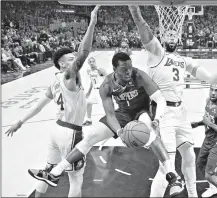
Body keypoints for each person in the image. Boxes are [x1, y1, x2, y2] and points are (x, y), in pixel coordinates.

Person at [128, 5, 217, 198]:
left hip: (181, 112)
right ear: (161, 37)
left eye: (173, 34)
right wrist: (134, 9)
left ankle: (193, 194)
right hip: (163, 112)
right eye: (166, 34)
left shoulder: (185, 61)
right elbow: (141, 25)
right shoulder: (156, 53)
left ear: (178, 38)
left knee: (189, 155)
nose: (170, 36)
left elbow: (211, 79)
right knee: (166, 164)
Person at [28, 52, 185, 197]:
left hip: (142, 111)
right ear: (114, 69)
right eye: (124, 69)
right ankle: (55, 173)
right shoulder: (107, 86)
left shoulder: (138, 75)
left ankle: (173, 177)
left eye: (130, 68)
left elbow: (160, 98)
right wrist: (120, 131)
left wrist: (157, 119)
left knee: (150, 134)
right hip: (123, 113)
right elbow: (110, 115)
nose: (128, 72)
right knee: (90, 137)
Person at [5, 5, 100, 197]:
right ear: (62, 64)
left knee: (48, 170)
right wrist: (92, 23)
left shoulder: (55, 81)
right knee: (76, 178)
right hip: (70, 132)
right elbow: (84, 52)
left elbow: (39, 105)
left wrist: (20, 121)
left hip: (56, 130)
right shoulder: (68, 75)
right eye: (70, 58)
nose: (74, 60)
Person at [83, 56, 107, 126]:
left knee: (105, 106)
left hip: (101, 90)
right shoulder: (89, 71)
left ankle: (111, 120)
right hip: (94, 91)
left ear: (95, 62)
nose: (92, 63)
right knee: (88, 103)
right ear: (88, 63)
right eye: (90, 62)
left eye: (93, 61)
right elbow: (92, 82)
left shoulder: (99, 70)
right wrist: (89, 92)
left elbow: (107, 77)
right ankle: (89, 120)